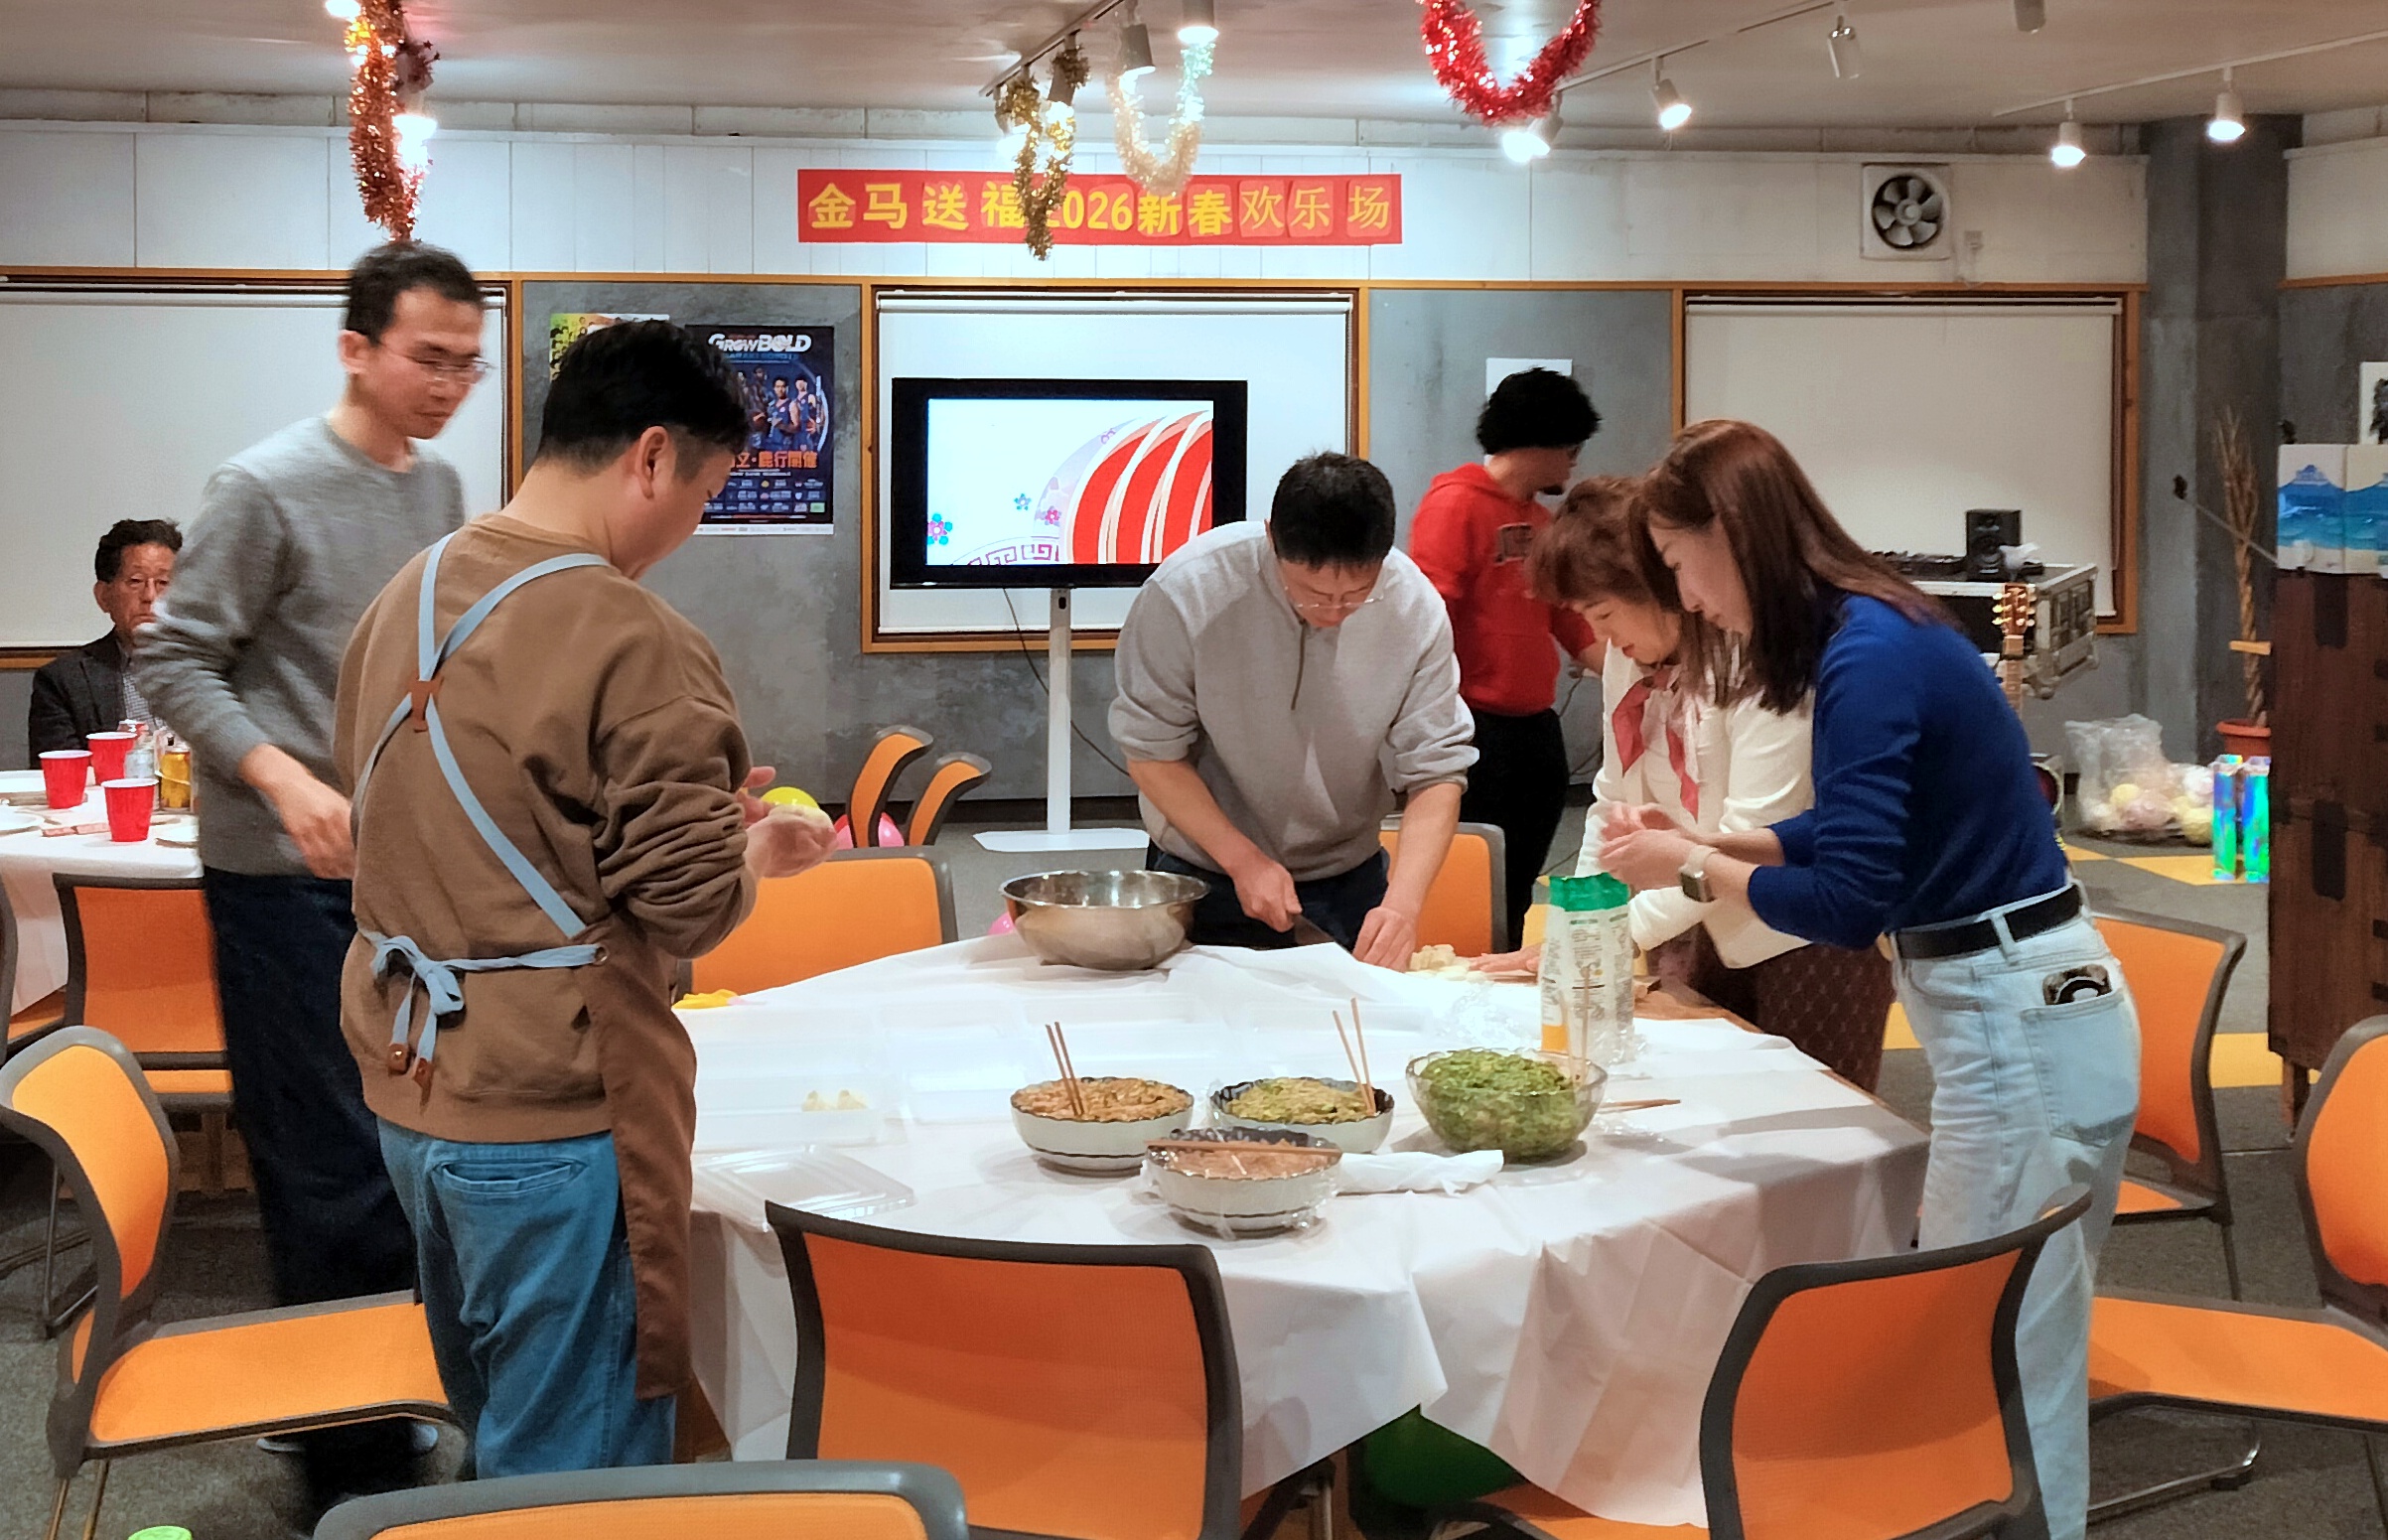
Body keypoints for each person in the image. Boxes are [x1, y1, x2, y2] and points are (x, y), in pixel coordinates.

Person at [1594, 419, 2137, 1540]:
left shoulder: (1865, 656)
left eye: (1684, 564)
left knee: (1983, 1350)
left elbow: (1846, 902)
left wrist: (1690, 866)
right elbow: (1855, 832)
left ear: (1731, 535)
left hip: (2013, 1020)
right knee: (2016, 1339)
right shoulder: (1876, 629)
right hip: (2028, 1005)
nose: (1688, 598)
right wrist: (1716, 845)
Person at [337, 320, 838, 1475]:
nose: (692, 525)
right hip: (555, 1109)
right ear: (652, 456)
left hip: (413, 1082)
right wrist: (747, 853)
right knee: (580, 1467)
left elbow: (455, 814)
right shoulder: (632, 631)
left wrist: (690, 827)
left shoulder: (410, 590)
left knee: (501, 1420)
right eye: (705, 494)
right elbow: (685, 910)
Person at [134, 240, 488, 1502]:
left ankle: (362, 1394)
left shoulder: (439, 485)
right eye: (427, 357)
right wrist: (281, 777)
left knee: (403, 1141)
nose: (449, 384)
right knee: (325, 1157)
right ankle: (349, 1470)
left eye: (467, 364)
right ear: (354, 348)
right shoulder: (265, 485)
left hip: (399, 872)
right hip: (280, 876)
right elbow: (169, 660)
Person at [1473, 478, 1896, 1089]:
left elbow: (1748, 832)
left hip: (1799, 936)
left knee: (1817, 1117)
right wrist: (1576, 927)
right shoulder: (1628, 657)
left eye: (1603, 613)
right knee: (1697, 1110)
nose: (1602, 637)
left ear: (1659, 587)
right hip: (1684, 921)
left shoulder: (1757, 656)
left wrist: (1614, 936)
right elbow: (1613, 797)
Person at [1111, 453, 1475, 967]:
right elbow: (1151, 754)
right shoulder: (1187, 591)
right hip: (1203, 871)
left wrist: (1402, 905)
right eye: (1312, 594)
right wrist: (1243, 860)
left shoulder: (1414, 607)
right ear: (1271, 538)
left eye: (1358, 595)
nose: (1334, 611)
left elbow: (1437, 772)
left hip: (1348, 877)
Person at [1409, 368, 1604, 943]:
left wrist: (1636, 673)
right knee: (1471, 885)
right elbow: (1430, 619)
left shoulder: (1542, 521)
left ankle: (1507, 966)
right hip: (1474, 727)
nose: (1574, 463)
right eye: (1571, 448)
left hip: (1535, 728)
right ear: (1541, 440)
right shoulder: (1455, 505)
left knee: (1518, 887)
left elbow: (1568, 618)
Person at [29, 518, 181, 756]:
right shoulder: (63, 681)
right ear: (103, 597)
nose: (150, 596)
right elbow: (60, 771)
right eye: (136, 581)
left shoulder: (221, 669)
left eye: (163, 582)